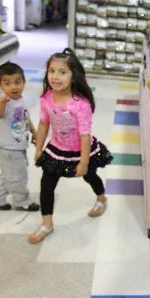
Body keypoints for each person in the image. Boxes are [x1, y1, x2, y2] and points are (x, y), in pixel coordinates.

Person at [30, 49, 113, 244]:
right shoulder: (46, 98)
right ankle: (46, 223)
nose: (55, 77)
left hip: (81, 151)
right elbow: (43, 124)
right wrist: (39, 148)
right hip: (56, 150)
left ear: (73, 76)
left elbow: (85, 136)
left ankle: (101, 198)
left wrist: (84, 162)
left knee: (90, 176)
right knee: (46, 185)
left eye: (62, 72)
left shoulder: (80, 104)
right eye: (52, 71)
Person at [0, 62, 40, 211]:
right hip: (8, 148)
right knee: (18, 176)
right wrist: (2, 102)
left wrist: (34, 132)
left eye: (17, 82)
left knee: (9, 175)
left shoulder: (20, 99)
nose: (13, 87)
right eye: (7, 83)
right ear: (0, 85)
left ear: (24, 82)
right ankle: (23, 201)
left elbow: (25, 117)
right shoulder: (4, 101)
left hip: (18, 145)